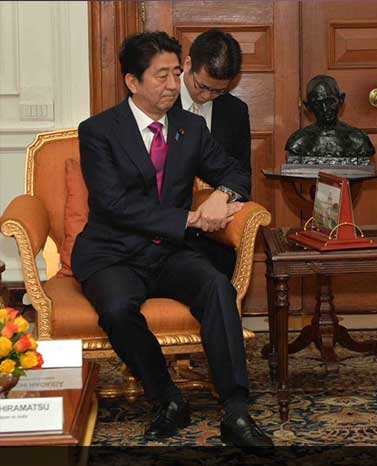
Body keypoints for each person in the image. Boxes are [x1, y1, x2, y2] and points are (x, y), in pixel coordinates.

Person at [72, 31, 272, 447]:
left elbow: (236, 173)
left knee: (217, 287)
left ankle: (235, 411)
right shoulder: (98, 131)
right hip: (113, 252)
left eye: (175, 73)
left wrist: (222, 195)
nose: (171, 84)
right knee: (116, 308)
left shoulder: (190, 128)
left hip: (168, 252)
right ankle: (167, 397)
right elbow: (114, 205)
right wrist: (190, 219)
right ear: (133, 81)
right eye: (161, 75)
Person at [176, 28, 251, 278]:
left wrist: (222, 195)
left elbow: (242, 173)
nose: (207, 97)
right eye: (202, 86)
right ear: (187, 64)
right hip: (165, 232)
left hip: (214, 235)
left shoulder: (235, 111)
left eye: (219, 91)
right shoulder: (159, 101)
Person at [285, 75, 375, 165]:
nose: (324, 109)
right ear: (308, 107)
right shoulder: (298, 143)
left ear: (340, 100)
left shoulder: (358, 142)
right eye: (317, 104)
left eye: (330, 102)